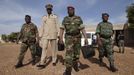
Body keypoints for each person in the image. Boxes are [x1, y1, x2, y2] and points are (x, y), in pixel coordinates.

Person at [59, 6, 88, 75]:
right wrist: (60, 38)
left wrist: (86, 38)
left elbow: (82, 28)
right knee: (69, 54)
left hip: (77, 38)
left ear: (74, 10)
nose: (70, 11)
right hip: (69, 38)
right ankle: (68, 70)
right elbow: (62, 29)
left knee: (77, 54)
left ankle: (75, 65)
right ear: (67, 11)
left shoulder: (78, 18)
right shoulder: (65, 19)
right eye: (69, 10)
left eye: (72, 9)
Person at [37, 4, 59, 69]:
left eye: (49, 9)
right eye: (47, 9)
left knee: (54, 49)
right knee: (44, 48)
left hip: (53, 34)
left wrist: (58, 35)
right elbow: (42, 27)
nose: (48, 10)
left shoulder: (55, 16)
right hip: (45, 35)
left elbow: (57, 25)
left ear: (51, 10)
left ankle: (54, 60)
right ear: (46, 10)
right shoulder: (44, 17)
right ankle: (42, 62)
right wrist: (40, 35)